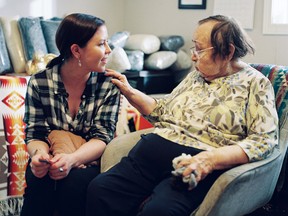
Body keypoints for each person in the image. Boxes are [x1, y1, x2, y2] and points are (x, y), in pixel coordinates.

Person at [86, 15, 279, 216]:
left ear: (228, 51)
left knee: (159, 211)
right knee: (100, 190)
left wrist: (209, 160)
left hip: (190, 169)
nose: (193, 56)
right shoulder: (196, 75)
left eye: (200, 49)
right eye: (193, 47)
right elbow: (161, 112)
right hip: (146, 160)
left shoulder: (256, 84)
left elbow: (263, 141)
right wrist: (129, 91)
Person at [20, 13, 121, 216]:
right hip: (52, 152)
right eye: (101, 44)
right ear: (76, 50)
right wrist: (39, 156)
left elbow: (102, 137)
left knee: (74, 182)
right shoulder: (40, 82)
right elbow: (35, 133)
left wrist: (72, 159)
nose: (109, 50)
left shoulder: (109, 85)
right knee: (38, 177)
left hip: (90, 158)